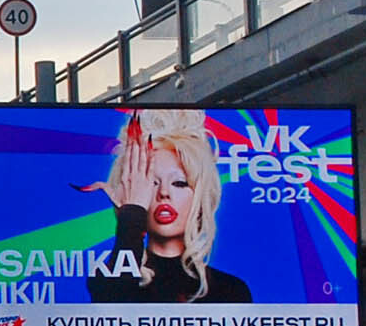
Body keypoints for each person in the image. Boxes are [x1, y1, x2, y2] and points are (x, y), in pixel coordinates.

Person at [83, 109, 251, 303]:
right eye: (151, 183)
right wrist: (130, 219)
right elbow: (114, 306)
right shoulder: (108, 279)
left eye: (179, 183)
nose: (164, 193)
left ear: (200, 195)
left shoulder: (230, 291)